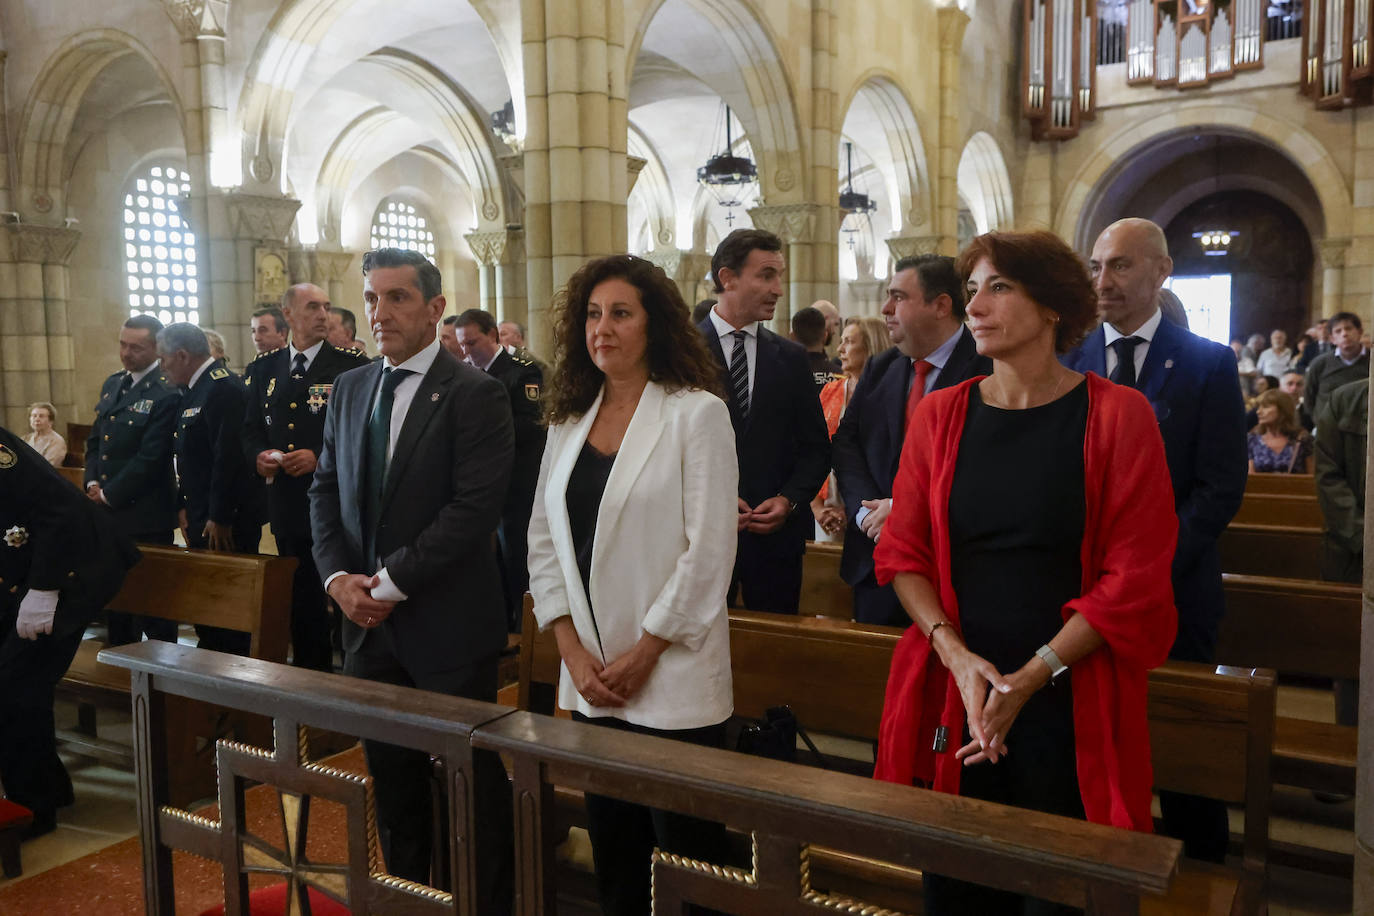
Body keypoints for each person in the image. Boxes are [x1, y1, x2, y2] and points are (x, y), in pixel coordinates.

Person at [873, 231, 1177, 915]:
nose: (976, 304)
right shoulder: (940, 415)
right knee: (956, 889)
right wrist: (954, 657)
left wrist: (1033, 675)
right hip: (960, 691)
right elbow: (903, 554)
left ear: (1051, 307)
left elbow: (1134, 574)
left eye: (999, 287)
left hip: (1069, 694)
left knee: (1065, 891)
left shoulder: (1119, 415)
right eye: (973, 289)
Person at [527, 254, 737, 916]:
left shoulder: (694, 415)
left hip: (669, 679)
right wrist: (569, 650)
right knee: (616, 861)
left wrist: (644, 653)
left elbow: (708, 553)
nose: (602, 328)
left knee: (685, 867)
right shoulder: (568, 418)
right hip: (590, 678)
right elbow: (542, 538)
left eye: (620, 313)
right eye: (592, 314)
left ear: (655, 324)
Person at [309, 248, 514, 904]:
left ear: (434, 307)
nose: (379, 312)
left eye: (397, 298)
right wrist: (339, 579)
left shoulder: (476, 393)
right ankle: (405, 900)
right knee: (393, 794)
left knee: (468, 797)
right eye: (371, 298)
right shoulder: (351, 387)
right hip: (368, 631)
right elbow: (324, 490)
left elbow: (472, 510)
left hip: (447, 627)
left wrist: (387, 586)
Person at [1062, 217, 1246, 863]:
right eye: (1096, 266)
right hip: (1085, 591)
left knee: (1180, 747)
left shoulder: (1207, 362)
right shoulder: (1069, 361)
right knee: (1088, 735)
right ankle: (1095, 863)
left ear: (1161, 271)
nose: (1103, 281)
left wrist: (1152, 565)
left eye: (1120, 266)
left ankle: (1201, 869)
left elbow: (1220, 487)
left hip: (1176, 591)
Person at [831, 255, 992, 627]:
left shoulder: (988, 368)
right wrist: (864, 511)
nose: (886, 309)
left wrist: (904, 508)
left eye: (898, 297)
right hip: (875, 561)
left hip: (949, 567)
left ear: (941, 306)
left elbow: (983, 461)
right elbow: (847, 443)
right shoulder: (881, 366)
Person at [0, 425, 141, 839]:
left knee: (13, 688)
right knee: (20, 685)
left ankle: (34, 810)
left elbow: (57, 510)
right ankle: (51, 790)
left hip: (73, 570)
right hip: (22, 572)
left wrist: (44, 589)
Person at [697, 228, 830, 614]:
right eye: (766, 275)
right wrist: (711, 502)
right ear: (728, 278)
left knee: (775, 660)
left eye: (779, 276)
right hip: (699, 540)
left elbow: (816, 448)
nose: (778, 289)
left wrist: (789, 500)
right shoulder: (682, 354)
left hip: (775, 543)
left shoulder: (790, 357)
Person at [242, 283, 369, 672]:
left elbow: (361, 432)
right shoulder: (265, 368)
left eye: (327, 307)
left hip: (335, 500)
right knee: (301, 595)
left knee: (344, 586)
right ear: (289, 314)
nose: (323, 315)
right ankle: (313, 676)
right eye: (313, 307)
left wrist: (319, 456)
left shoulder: (351, 366)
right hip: (288, 501)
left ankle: (353, 674)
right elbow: (249, 430)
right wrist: (260, 456)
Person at [157, 323, 263, 654]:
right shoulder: (194, 388)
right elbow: (187, 458)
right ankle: (211, 673)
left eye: (164, 359)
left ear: (182, 355)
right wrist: (184, 505)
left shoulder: (223, 388)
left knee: (228, 608)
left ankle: (235, 682)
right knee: (208, 605)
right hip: (202, 514)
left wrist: (219, 515)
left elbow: (228, 459)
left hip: (225, 520)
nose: (162, 367)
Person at [85, 314, 181, 645]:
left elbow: (152, 457)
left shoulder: (167, 391)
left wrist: (109, 493)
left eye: (136, 347)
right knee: (118, 605)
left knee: (153, 606)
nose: (126, 353)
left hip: (146, 515)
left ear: (157, 348)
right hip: (108, 516)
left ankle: (163, 686)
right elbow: (96, 442)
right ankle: (119, 680)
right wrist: (91, 483)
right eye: (123, 345)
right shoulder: (114, 383)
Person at [454, 308, 547, 631]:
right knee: (487, 562)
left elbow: (533, 424)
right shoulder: (464, 374)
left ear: (492, 336)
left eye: (473, 343)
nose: (466, 351)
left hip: (517, 484)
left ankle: (525, 631)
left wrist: (484, 431)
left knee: (517, 558)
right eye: (462, 345)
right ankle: (499, 624)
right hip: (481, 485)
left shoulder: (522, 371)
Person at [1314, 376, 1366, 731]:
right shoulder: (1344, 401)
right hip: (1354, 554)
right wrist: (1366, 539)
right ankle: (1350, 759)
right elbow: (1328, 478)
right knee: (1354, 662)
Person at [812, 317, 889, 541]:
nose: (839, 349)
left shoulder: (888, 393)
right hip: (828, 506)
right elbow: (812, 450)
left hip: (875, 507)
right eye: (841, 341)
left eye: (848, 341)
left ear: (870, 347)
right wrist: (818, 508)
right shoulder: (830, 391)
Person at [1304, 312, 1368, 421]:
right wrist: (1319, 421)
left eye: (1349, 328)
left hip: (1364, 428)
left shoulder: (1371, 361)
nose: (1344, 334)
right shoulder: (1319, 363)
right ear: (1332, 338)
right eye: (1338, 331)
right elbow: (1309, 397)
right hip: (1328, 428)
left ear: (1360, 332)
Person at [1247, 390, 1312, 474]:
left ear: (1283, 410)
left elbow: (1312, 478)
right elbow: (1251, 477)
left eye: (1265, 407)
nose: (1258, 411)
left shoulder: (1302, 439)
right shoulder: (1252, 439)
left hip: (1295, 486)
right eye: (1259, 407)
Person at [791, 305, 838, 389]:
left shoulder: (783, 374)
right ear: (825, 335)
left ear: (792, 337)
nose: (834, 331)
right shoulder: (841, 376)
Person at [22, 402, 66, 467]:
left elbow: (48, 467)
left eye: (41, 416)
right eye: (34, 416)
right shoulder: (25, 438)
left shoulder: (56, 441)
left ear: (51, 421)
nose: (37, 419)